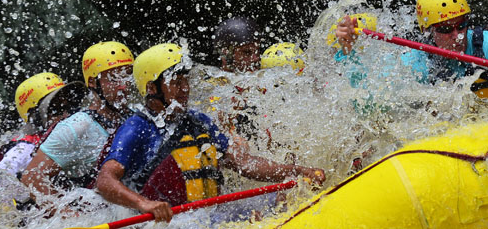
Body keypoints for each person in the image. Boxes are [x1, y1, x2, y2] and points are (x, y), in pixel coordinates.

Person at [95, 43, 325, 223]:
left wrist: (299, 172)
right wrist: (144, 204)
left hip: (209, 215)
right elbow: (105, 180)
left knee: (281, 198)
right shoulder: (138, 127)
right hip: (171, 222)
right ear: (152, 89)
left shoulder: (198, 121)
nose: (185, 88)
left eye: (186, 80)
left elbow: (244, 164)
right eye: (175, 81)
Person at [334, 0, 488, 117]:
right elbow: (369, 105)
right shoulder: (417, 59)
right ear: (427, 31)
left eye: (461, 25)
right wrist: (349, 52)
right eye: (444, 29)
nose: (457, 35)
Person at [20, 41, 134, 211]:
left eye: (127, 76)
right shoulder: (77, 126)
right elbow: (32, 178)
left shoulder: (136, 118)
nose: (123, 85)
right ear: (93, 83)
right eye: (113, 78)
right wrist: (69, 215)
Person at [0, 73, 86, 203]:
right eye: (57, 109)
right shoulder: (25, 149)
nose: (66, 114)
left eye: (70, 107)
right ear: (36, 118)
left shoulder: (79, 132)